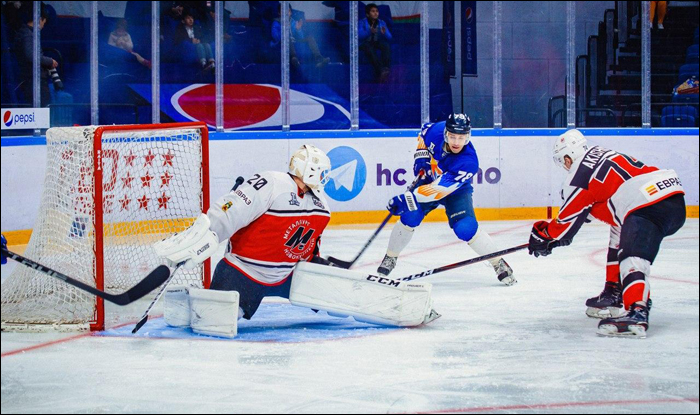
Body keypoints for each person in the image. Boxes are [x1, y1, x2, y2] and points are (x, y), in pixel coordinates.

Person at [528, 129, 686, 338]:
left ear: (568, 156)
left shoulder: (578, 175)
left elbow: (565, 223)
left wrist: (543, 235)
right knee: (618, 229)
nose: (565, 166)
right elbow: (592, 211)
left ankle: (637, 310)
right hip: (672, 198)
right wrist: (557, 238)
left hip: (645, 204)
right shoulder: (602, 153)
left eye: (563, 161)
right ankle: (614, 290)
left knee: (632, 257)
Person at [155, 145, 333, 322]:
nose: (325, 178)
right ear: (310, 170)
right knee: (214, 319)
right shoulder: (272, 183)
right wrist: (203, 236)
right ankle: (189, 300)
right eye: (322, 173)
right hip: (243, 272)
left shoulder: (322, 207)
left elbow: (309, 248)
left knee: (331, 296)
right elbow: (231, 208)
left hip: (286, 276)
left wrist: (318, 264)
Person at [377, 113, 516, 286]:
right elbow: (423, 135)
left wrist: (407, 197)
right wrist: (421, 160)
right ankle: (390, 256)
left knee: (465, 228)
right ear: (445, 134)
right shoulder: (436, 130)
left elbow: (437, 191)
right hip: (429, 181)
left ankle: (498, 262)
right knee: (410, 216)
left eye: (461, 137)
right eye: (452, 136)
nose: (456, 142)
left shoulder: (468, 162)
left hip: (454, 190)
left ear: (468, 136)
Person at [14, 6, 57, 107]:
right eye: (43, 23)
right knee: (43, 109)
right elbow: (31, 55)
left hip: (32, 79)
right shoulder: (27, 34)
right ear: (39, 19)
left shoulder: (27, 33)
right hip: (33, 80)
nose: (42, 26)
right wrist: (49, 61)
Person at [270, 4, 330, 70]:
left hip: (294, 40)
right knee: (288, 39)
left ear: (291, 12)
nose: (286, 13)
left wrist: (298, 30)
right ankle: (294, 58)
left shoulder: (293, 22)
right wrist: (285, 29)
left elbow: (300, 37)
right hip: (282, 41)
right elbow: (275, 36)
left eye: (288, 11)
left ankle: (318, 58)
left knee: (310, 38)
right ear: (279, 13)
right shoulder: (276, 22)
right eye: (283, 11)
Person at [359, 3, 392, 82]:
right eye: (373, 11)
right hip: (365, 43)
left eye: (377, 11)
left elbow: (390, 37)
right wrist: (369, 32)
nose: (376, 13)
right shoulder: (362, 22)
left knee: (386, 46)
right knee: (368, 47)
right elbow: (358, 36)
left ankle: (386, 68)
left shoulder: (382, 22)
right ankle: (380, 70)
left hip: (376, 42)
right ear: (367, 14)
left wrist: (385, 33)